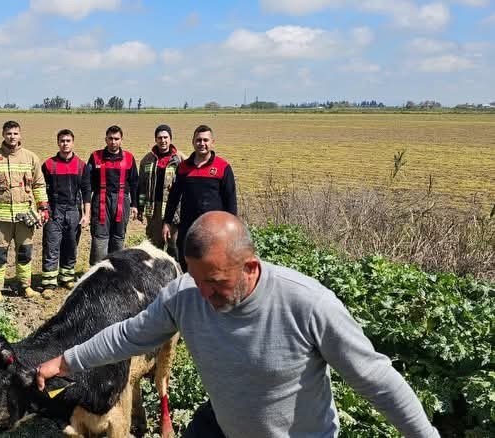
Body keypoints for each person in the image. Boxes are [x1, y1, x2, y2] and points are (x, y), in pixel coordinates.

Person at [36, 211, 440, 438]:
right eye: (196, 279)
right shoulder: (185, 296)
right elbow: (126, 336)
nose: (205, 295)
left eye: (216, 282)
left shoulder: (308, 304)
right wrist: (65, 362)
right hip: (224, 423)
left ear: (250, 266)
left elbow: (376, 378)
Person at [0, 120, 49, 301]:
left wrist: (43, 208)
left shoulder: (31, 158)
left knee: (25, 252)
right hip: (1, 218)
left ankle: (25, 286)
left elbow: (39, 185)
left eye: (15, 133)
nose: (12, 137)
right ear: (3, 134)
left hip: (25, 217)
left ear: (20, 135)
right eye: (9, 133)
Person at [162, 124, 236, 271]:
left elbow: (231, 200)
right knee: (187, 263)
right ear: (193, 142)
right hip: (188, 228)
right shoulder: (183, 167)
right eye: (198, 140)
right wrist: (167, 222)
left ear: (212, 142)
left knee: (212, 266)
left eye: (205, 140)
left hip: (214, 230)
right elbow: (174, 197)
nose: (202, 144)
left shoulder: (223, 167)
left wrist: (232, 229)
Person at [40, 129, 91, 298]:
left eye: (68, 140)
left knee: (71, 245)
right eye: (62, 140)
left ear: (73, 143)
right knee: (52, 246)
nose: (65, 143)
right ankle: (49, 283)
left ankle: (67, 277)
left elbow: (86, 191)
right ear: (58, 143)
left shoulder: (81, 165)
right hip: (54, 211)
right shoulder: (48, 165)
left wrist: (86, 214)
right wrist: (44, 209)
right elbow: (41, 190)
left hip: (73, 210)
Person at [84, 125, 139, 265]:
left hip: (122, 201)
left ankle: (116, 270)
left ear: (121, 140)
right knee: (100, 237)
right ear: (105, 139)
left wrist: (134, 205)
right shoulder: (95, 157)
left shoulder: (129, 157)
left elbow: (134, 183)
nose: (113, 142)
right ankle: (97, 270)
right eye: (110, 138)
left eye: (116, 139)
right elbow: (87, 183)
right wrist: (87, 210)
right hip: (101, 201)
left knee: (118, 237)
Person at [137, 124, 185, 258]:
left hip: (175, 209)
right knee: (154, 246)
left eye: (165, 137)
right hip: (154, 209)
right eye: (159, 138)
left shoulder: (180, 159)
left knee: (173, 243)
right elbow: (142, 186)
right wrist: (140, 207)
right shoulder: (147, 160)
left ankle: (177, 273)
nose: (163, 141)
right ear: (155, 139)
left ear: (171, 139)